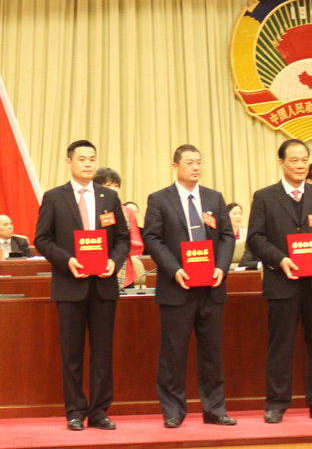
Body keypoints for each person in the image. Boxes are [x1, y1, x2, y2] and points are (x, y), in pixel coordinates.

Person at [34, 140, 130, 431]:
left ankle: (99, 411)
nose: (88, 164)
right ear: (69, 162)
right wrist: (67, 261)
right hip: (70, 286)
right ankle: (75, 411)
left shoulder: (108, 197)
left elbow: (122, 238)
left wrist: (114, 261)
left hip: (103, 285)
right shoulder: (54, 197)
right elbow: (42, 239)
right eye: (82, 159)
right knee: (72, 354)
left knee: (102, 353)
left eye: (92, 159)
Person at [246, 139, 312, 424]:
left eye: (304, 160)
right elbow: (255, 237)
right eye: (294, 160)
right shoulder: (264, 197)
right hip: (282, 282)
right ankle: (276, 404)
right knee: (280, 347)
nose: (301, 165)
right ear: (281, 163)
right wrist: (280, 260)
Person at [143, 144, 236, 428]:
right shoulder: (159, 199)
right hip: (177, 288)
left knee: (212, 354)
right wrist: (175, 270)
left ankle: (215, 409)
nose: (196, 167)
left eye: (199, 162)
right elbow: (152, 239)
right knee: (173, 354)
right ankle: (173, 411)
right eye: (189, 163)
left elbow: (227, 236)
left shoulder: (214, 198)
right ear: (176, 166)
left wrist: (221, 267)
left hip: (211, 287)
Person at [94, 168, 144, 289]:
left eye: (116, 185)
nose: (114, 189)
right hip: (95, 268)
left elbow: (137, 244)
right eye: (108, 185)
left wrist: (117, 253)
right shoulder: (89, 209)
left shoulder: (127, 212)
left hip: (124, 270)